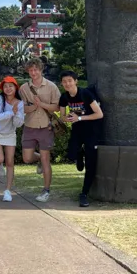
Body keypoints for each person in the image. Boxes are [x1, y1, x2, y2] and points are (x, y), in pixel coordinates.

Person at [59, 71, 103, 207]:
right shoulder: (64, 97)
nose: (67, 83)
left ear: (75, 81)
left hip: (91, 131)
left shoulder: (85, 94)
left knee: (91, 164)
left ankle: (84, 193)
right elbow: (62, 116)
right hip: (77, 130)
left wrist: (79, 118)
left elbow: (99, 114)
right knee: (71, 154)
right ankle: (79, 154)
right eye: (64, 81)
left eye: (70, 80)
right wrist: (68, 118)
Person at [19, 58, 60, 203]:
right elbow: (22, 108)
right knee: (27, 158)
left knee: (45, 158)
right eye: (30, 70)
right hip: (30, 126)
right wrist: (34, 107)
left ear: (41, 69)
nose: (33, 73)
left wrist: (42, 104)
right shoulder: (24, 88)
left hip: (46, 126)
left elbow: (57, 107)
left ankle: (46, 190)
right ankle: (39, 162)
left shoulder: (51, 87)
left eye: (36, 69)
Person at [0, 77, 24, 202]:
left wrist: (17, 114)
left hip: (10, 133)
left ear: (15, 88)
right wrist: (11, 113)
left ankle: (8, 191)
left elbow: (18, 124)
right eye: (5, 86)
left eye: (11, 86)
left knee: (10, 162)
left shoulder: (20, 103)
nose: (8, 89)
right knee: (0, 158)